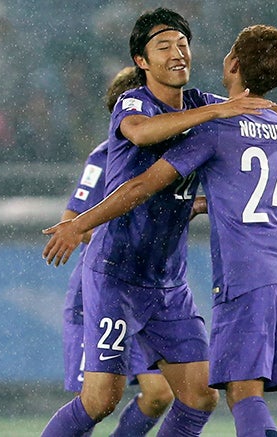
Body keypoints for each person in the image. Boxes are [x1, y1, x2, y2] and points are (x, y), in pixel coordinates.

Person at [40, 8, 277, 436]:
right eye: (163, 47)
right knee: (100, 400)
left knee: (199, 396)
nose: (177, 53)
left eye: (183, 44)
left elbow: (272, 111)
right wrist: (77, 225)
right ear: (141, 61)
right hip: (116, 274)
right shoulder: (138, 102)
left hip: (168, 282)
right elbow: (141, 136)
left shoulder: (208, 107)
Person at [59, 66, 175, 437]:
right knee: (93, 402)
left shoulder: (167, 156)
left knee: (159, 393)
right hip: (100, 294)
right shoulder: (105, 157)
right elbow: (72, 221)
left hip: (143, 293)